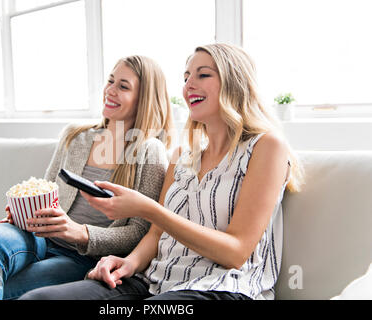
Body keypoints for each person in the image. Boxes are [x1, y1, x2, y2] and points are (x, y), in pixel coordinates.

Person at [19, 43, 304, 301]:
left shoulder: (266, 147)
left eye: (203, 75)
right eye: (186, 77)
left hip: (220, 287)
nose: (188, 84)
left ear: (235, 84)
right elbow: (156, 236)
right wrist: (127, 263)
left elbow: (236, 252)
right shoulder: (182, 156)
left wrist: (149, 209)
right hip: (152, 282)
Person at [0, 55, 174, 300]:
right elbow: (46, 191)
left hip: (82, 258)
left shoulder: (149, 151)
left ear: (144, 98)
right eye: (110, 81)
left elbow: (140, 232)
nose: (111, 90)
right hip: (39, 239)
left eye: (123, 86)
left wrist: (80, 233)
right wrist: (24, 213)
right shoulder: (76, 136)